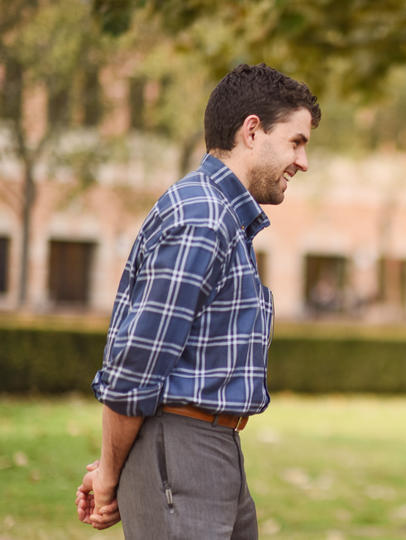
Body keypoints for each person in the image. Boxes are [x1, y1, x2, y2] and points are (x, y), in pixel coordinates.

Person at [74, 63, 321, 537]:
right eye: (296, 141)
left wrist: (118, 466)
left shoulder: (224, 217)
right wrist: (109, 475)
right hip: (183, 450)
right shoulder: (203, 218)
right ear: (253, 131)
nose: (303, 161)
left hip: (210, 448)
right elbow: (135, 367)